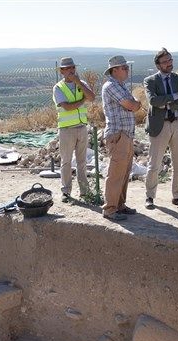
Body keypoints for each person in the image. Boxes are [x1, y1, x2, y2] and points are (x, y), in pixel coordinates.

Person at [143, 48, 178, 210]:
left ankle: (177, 196)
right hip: (159, 126)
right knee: (154, 163)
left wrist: (168, 103)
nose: (169, 63)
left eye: (170, 60)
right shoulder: (150, 81)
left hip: (177, 123)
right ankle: (150, 196)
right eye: (165, 61)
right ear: (158, 65)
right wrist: (174, 97)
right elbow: (154, 101)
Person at [101, 55, 141, 221]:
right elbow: (132, 105)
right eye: (124, 68)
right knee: (116, 173)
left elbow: (133, 105)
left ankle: (120, 205)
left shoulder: (120, 86)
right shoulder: (111, 86)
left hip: (125, 135)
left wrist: (135, 103)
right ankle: (110, 209)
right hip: (118, 136)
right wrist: (136, 103)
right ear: (115, 70)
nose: (127, 70)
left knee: (124, 172)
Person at [52, 57, 95, 202]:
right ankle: (65, 191)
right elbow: (67, 107)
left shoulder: (81, 84)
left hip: (82, 127)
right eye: (67, 68)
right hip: (66, 129)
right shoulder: (58, 88)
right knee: (66, 161)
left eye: (72, 68)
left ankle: (84, 191)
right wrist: (83, 100)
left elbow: (92, 97)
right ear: (62, 71)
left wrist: (78, 83)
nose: (71, 70)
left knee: (82, 162)